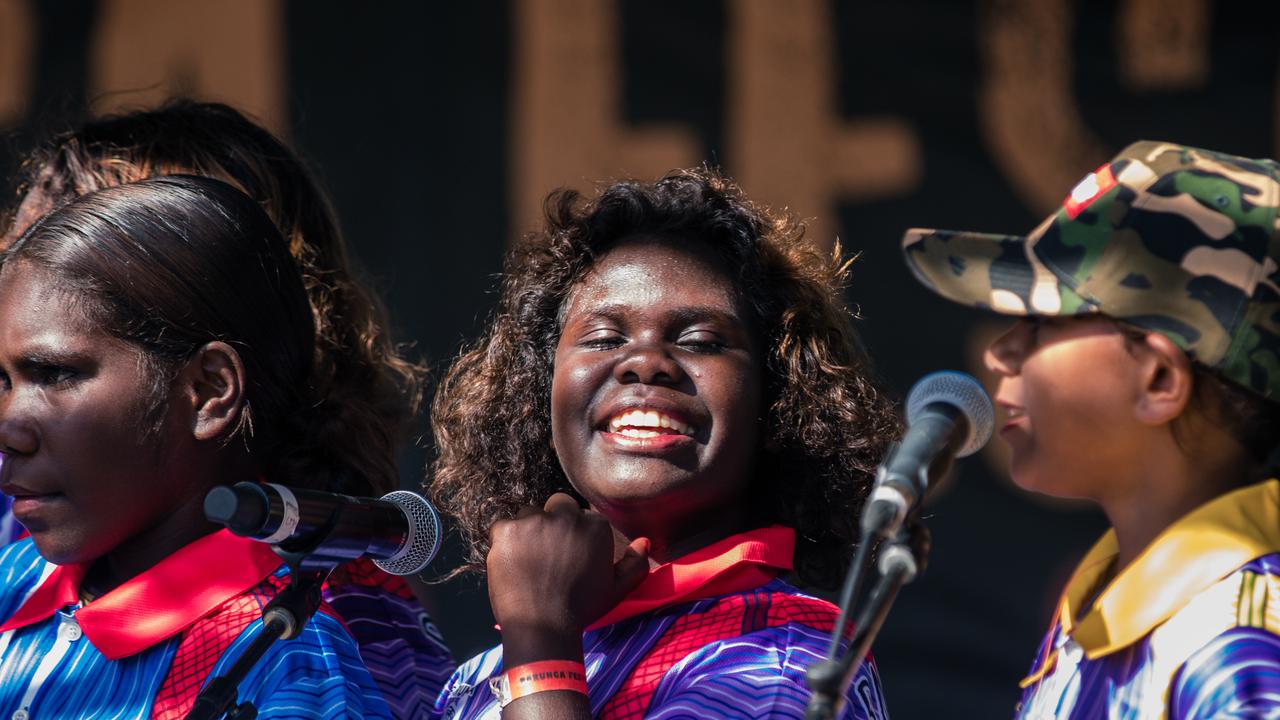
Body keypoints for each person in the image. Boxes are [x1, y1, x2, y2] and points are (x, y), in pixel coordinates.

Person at [0, 100, 453, 717]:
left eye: (54, 372)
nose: (9, 423)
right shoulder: (22, 575)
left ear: (211, 387)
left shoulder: (295, 656)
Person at [429, 168, 899, 719]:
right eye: (604, 338)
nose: (646, 362)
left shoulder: (788, 660)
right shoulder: (477, 679)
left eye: (700, 341)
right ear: (539, 393)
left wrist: (540, 643)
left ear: (778, 404)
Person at [901, 140, 1280, 718]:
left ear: (1158, 379)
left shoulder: (1241, 646)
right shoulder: (1109, 593)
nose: (1002, 351)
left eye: (1044, 320)